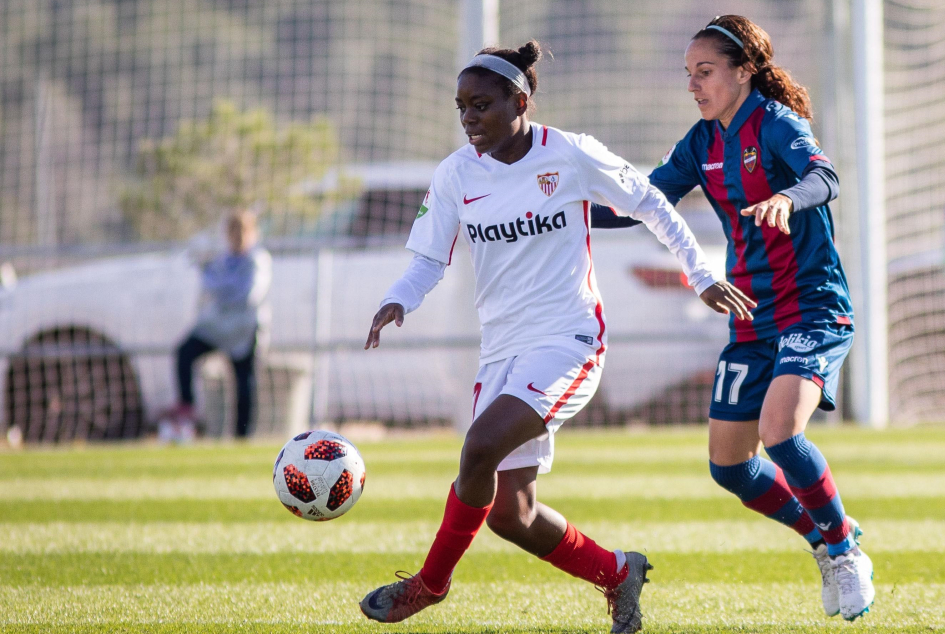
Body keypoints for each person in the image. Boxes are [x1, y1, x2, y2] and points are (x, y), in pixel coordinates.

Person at [358, 41, 754, 633]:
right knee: (510, 516)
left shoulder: (568, 154)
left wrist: (701, 276)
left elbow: (653, 204)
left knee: (478, 451)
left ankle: (428, 584)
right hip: (501, 352)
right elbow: (427, 260)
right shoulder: (455, 174)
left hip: (569, 341)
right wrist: (398, 298)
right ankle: (619, 573)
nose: (469, 119)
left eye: (482, 105)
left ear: (521, 101)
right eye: (461, 107)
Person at [596, 14, 875, 621]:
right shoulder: (700, 142)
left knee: (781, 431)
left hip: (811, 306)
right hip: (750, 316)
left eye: (706, 72)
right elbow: (645, 203)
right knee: (730, 466)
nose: (694, 85)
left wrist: (784, 197)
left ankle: (844, 548)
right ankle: (826, 533)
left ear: (745, 71)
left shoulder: (776, 125)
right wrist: (564, 212)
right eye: (688, 74)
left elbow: (825, 177)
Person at [163, 209, 272, 441]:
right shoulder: (220, 260)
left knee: (244, 382)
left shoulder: (258, 260)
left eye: (243, 231)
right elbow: (207, 286)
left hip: (244, 328)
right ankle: (187, 408)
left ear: (252, 233)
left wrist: (222, 289)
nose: (237, 236)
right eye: (233, 231)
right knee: (184, 352)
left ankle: (242, 437)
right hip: (217, 326)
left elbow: (248, 295)